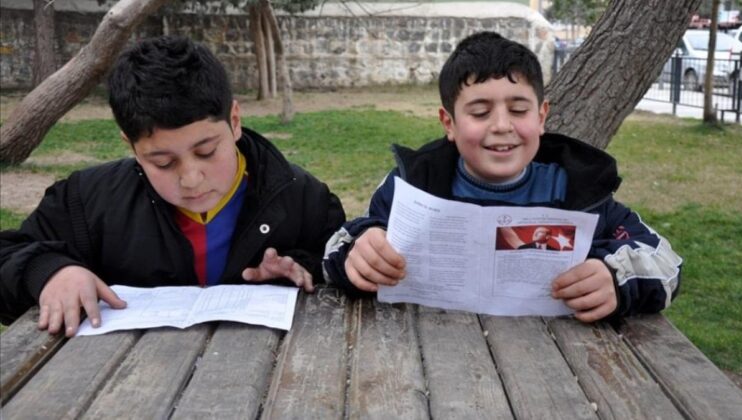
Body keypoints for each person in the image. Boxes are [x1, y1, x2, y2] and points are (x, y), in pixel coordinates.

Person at [323, 31, 682, 323]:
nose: (501, 126)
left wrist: (616, 280)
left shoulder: (578, 188)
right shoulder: (411, 185)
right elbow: (338, 246)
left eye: (518, 109)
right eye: (480, 112)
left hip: (561, 366)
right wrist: (358, 252)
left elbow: (666, 263)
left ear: (541, 117)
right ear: (449, 123)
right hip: (424, 353)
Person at [0, 36, 346, 336]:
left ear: (235, 121)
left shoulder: (301, 195)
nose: (191, 179)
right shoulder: (88, 201)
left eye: (207, 151)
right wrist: (48, 272)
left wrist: (302, 267)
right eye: (162, 162)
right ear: (130, 144)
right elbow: (9, 258)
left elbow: (339, 268)